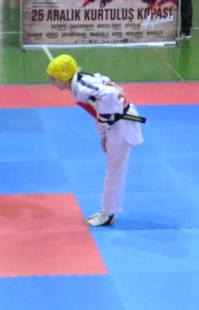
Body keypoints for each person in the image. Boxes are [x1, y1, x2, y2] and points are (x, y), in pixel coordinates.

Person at [47, 55, 143, 227]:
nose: (51, 82)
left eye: (53, 78)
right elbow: (98, 108)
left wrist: (106, 122)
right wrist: (103, 134)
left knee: (114, 171)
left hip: (121, 124)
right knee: (113, 169)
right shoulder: (82, 82)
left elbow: (109, 93)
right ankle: (108, 211)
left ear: (62, 77)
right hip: (115, 124)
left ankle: (108, 213)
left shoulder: (82, 87)